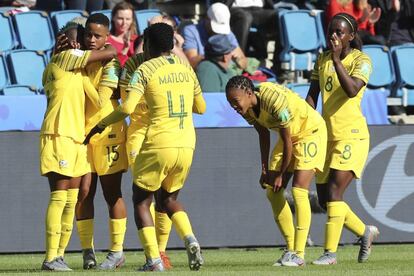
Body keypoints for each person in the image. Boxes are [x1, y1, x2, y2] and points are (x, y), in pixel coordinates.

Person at [84, 22, 206, 271]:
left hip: (156, 139)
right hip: (186, 141)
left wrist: (100, 126)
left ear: (148, 44)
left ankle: (154, 258)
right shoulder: (186, 69)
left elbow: (127, 108)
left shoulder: (144, 68)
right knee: (168, 198)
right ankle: (189, 238)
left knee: (142, 199)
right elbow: (201, 108)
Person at [225, 76, 327, 266]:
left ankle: (299, 254)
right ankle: (290, 249)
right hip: (288, 138)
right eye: (230, 102)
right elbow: (263, 133)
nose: (233, 106)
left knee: (299, 190)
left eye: (235, 101)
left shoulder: (273, 99)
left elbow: (288, 140)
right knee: (273, 192)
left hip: (310, 132)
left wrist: (280, 174)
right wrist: (265, 169)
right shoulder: (246, 108)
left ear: (249, 94)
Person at [40, 21, 117, 271]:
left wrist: (110, 89)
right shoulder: (64, 58)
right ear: (66, 42)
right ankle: (50, 257)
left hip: (76, 138)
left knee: (72, 199)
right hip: (58, 135)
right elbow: (112, 52)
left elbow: (96, 101)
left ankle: (59, 256)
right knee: (59, 196)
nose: (80, 44)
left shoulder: (77, 70)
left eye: (80, 40)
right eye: (76, 39)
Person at [306, 13, 379, 265]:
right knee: (327, 200)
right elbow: (312, 96)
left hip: (352, 135)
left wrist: (337, 60)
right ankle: (364, 232)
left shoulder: (362, 60)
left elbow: (351, 90)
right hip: (326, 136)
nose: (333, 37)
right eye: (330, 32)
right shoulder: (322, 59)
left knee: (336, 191)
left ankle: (330, 253)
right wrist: (303, 123)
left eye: (339, 32)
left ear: (351, 36)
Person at [75, 13, 128, 270]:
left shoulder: (112, 63)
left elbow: (99, 100)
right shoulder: (82, 57)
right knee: (84, 192)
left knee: (111, 192)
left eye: (98, 35)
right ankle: (88, 251)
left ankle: (117, 251)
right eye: (88, 34)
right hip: (81, 132)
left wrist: (81, 75)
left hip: (108, 131)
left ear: (108, 37)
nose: (92, 39)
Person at [118, 46, 174, 270]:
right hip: (139, 133)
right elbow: (126, 98)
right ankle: (153, 255)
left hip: (165, 133)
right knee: (145, 193)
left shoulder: (171, 65)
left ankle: (160, 251)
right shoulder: (133, 65)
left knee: (165, 193)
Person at [182, 2, 247, 70]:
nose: (218, 33)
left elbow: (244, 63)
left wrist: (239, 60)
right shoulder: (191, 31)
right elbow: (190, 63)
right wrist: (214, 55)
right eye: (216, 28)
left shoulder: (227, 33)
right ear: (207, 19)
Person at [107, 1, 139, 66]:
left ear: (132, 20)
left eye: (128, 19)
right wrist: (125, 48)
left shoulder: (137, 40)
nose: (124, 23)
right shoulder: (107, 40)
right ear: (113, 18)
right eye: (120, 18)